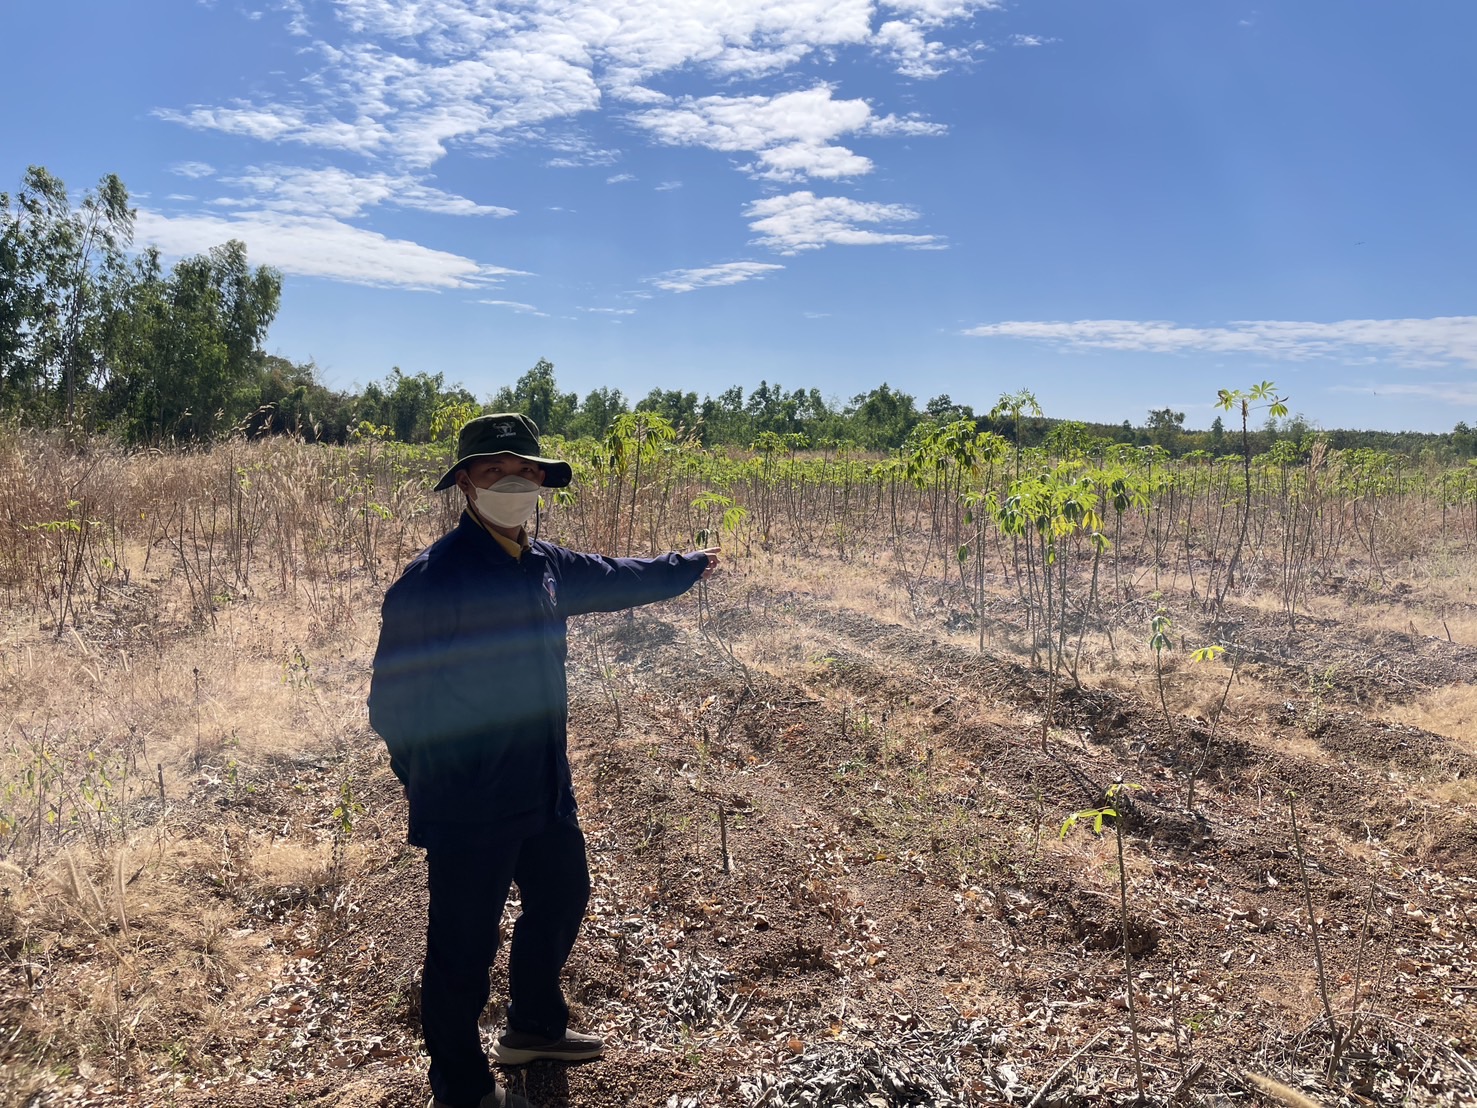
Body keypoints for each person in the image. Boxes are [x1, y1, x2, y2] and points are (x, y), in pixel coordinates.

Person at [368, 413, 719, 1108]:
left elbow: (618, 576)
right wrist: (436, 784)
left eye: (525, 472)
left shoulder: (545, 565)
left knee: (561, 900)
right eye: (496, 472)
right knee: (462, 952)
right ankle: (461, 1087)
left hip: (543, 788)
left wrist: (690, 567)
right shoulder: (433, 580)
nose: (513, 483)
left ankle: (532, 1030)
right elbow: (392, 705)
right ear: (465, 482)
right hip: (470, 803)